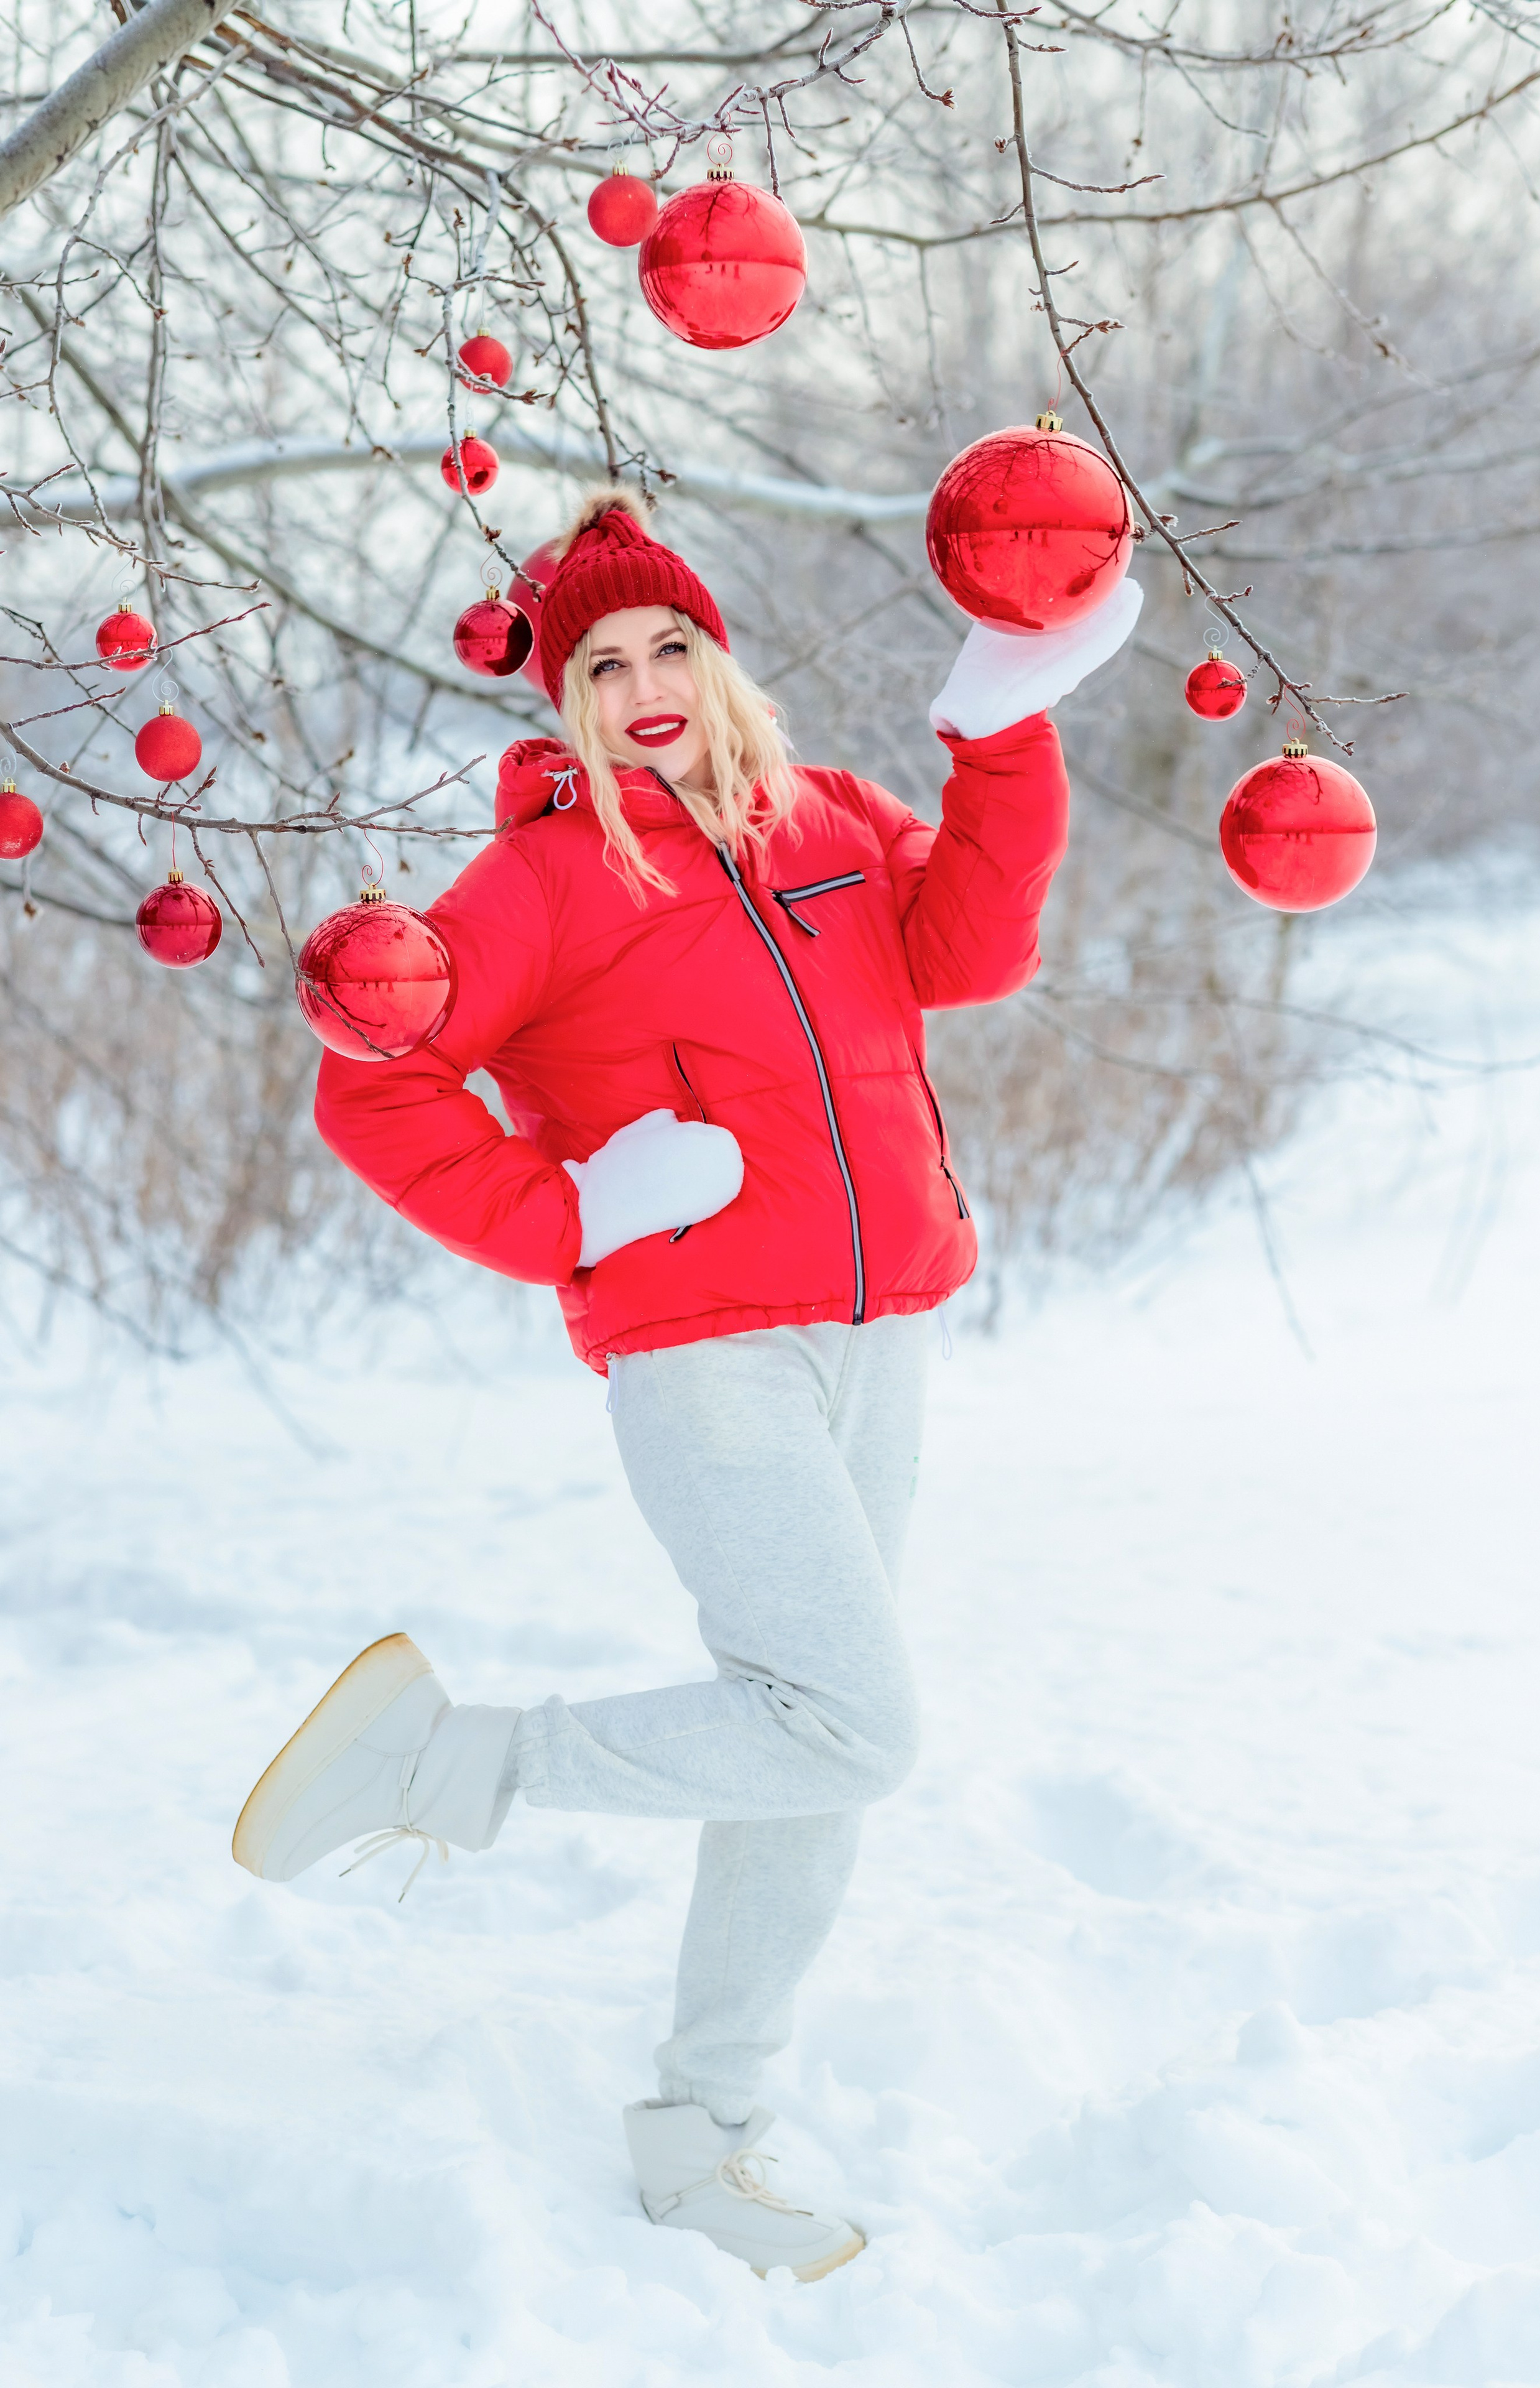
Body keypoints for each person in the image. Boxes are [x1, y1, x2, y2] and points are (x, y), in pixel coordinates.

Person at [231, 486, 1140, 2280]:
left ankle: (703, 2138)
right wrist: (566, 1211)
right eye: (602, 665)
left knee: (809, 1753)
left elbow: (974, 950)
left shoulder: (829, 817)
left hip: (882, 1331)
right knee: (853, 1723)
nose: (644, 686)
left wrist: (1004, 733)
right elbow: (374, 1078)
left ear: (716, 659)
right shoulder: (544, 879)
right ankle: (444, 1762)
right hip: (707, 1347)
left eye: (669, 647)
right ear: (564, 701)